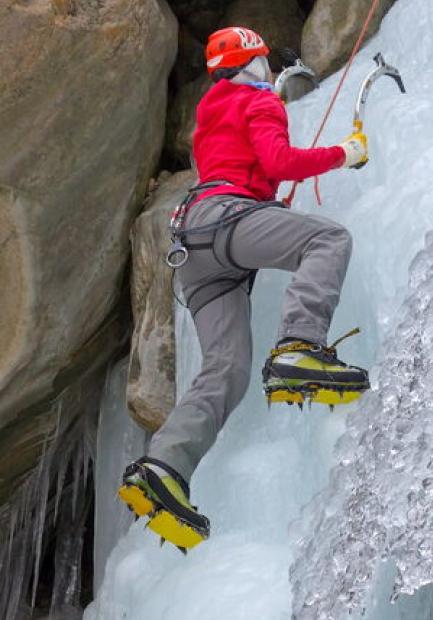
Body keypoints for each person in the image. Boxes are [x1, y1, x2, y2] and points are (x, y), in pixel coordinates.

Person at [117, 26, 370, 551]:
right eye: (267, 66)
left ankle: (164, 466)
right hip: (230, 224)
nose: (272, 74)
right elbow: (279, 163)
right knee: (328, 240)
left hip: (194, 248)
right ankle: (300, 347)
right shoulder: (257, 100)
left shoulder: (211, 109)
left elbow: (246, 169)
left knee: (225, 368)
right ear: (255, 64)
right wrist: (344, 153)